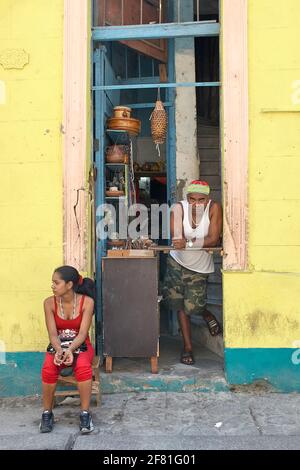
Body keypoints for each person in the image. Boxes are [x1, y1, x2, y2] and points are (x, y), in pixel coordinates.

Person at [163, 180, 223, 365]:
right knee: (180, 304)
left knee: (194, 306)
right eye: (192, 199)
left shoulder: (214, 208)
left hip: (199, 266)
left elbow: (213, 239)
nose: (196, 203)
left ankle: (206, 314)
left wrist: (189, 243)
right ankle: (187, 347)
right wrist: (198, 242)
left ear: (208, 199)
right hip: (177, 261)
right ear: (186, 198)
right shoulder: (178, 209)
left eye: (201, 199)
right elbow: (177, 238)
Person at [40, 266, 96, 433]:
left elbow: (82, 334)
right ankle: (47, 413)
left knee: (83, 368)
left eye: (56, 283)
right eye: (52, 283)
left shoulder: (87, 302)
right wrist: (59, 350)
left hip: (81, 345)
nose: (53, 286)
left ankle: (85, 414)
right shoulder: (49, 303)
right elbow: (52, 334)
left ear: (69, 284)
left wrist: (70, 350)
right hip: (58, 345)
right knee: (48, 368)